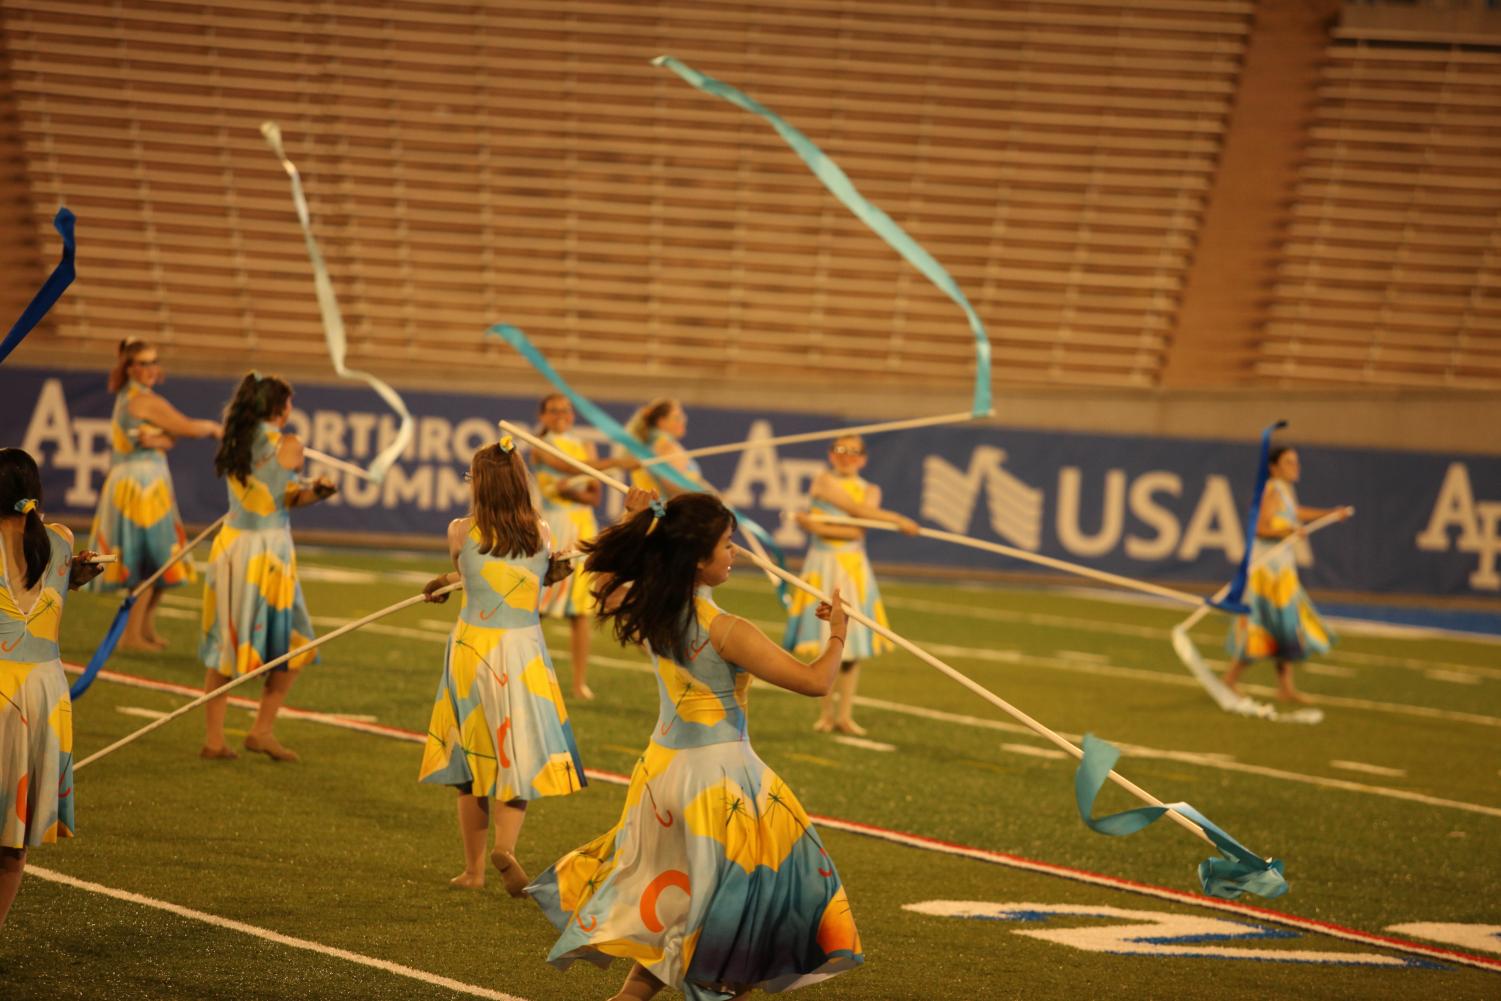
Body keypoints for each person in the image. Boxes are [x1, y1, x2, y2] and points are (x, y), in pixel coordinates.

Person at [530, 487, 863, 1001]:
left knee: (680, 902)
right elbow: (817, 682)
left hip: (661, 776)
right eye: (726, 545)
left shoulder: (647, 607)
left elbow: (600, 578)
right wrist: (840, 632)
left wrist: (633, 518)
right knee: (738, 921)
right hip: (720, 781)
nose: (735, 553)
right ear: (698, 558)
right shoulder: (727, 629)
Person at [419, 437, 587, 894]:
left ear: (480, 485)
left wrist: (446, 580)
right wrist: (549, 572)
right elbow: (523, 575)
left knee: (470, 764)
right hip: (522, 654)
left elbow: (473, 574)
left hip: (471, 653)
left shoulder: (459, 531)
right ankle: (506, 849)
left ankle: (473, 871)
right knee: (518, 754)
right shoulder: (542, 533)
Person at [199, 373, 335, 763]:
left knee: (228, 643)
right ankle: (261, 728)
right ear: (280, 407)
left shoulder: (235, 435)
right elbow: (284, 492)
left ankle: (216, 739)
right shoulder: (290, 444)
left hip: (232, 546)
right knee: (295, 641)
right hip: (268, 554)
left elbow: (278, 494)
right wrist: (318, 486)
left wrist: (314, 492)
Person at [0, 448, 104, 928]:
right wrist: (73, 579)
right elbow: (51, 578)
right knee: (11, 838)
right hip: (43, 693)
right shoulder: (61, 541)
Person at [87, 337, 222, 651]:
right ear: (130, 368)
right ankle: (131, 635)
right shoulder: (142, 400)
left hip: (145, 484)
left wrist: (163, 438)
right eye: (143, 363)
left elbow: (170, 437)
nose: (150, 369)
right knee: (149, 562)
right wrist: (215, 429)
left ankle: (144, 629)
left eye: (153, 362)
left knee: (161, 560)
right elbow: (186, 427)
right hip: (140, 489)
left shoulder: (134, 398)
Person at [784, 435, 917, 736]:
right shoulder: (822, 481)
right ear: (831, 455)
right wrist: (897, 519)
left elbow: (857, 530)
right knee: (824, 639)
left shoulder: (871, 490)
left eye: (854, 452)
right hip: (823, 565)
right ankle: (826, 715)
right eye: (841, 451)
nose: (847, 457)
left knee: (852, 645)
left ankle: (845, 716)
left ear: (864, 459)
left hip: (852, 569)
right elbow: (856, 515)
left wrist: (815, 525)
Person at [1223, 446, 1354, 703]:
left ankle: (1284, 688)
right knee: (1265, 626)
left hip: (1282, 571)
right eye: (1289, 463)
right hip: (1267, 573)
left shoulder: (1284, 490)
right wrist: (1289, 533)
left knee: (1286, 627)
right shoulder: (1271, 490)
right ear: (1274, 467)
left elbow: (1296, 513)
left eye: (1296, 462)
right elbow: (1260, 529)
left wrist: (1329, 514)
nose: (1296, 467)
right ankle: (1231, 678)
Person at [531, 393, 635, 701]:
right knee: (536, 606)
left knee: (579, 610)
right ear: (543, 415)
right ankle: (529, 672)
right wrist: (615, 462)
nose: (561, 415)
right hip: (551, 528)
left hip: (581, 529)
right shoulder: (539, 445)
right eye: (553, 411)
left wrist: (571, 490)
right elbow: (567, 467)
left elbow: (593, 496)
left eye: (566, 410)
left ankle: (579, 682)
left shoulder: (586, 446)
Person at [625, 398, 704, 498]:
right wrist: (701, 497)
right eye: (677, 417)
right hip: (664, 510)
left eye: (683, 416)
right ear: (661, 422)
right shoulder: (664, 444)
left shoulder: (652, 444)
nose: (684, 420)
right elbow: (672, 486)